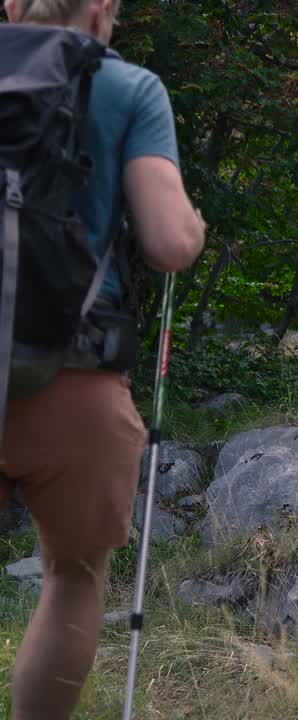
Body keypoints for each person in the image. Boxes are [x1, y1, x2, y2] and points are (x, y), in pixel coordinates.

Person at [0, 1, 205, 717]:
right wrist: (192, 223)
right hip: (75, 380)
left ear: (11, 8)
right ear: (99, 14)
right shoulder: (128, 88)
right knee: (73, 577)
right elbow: (170, 243)